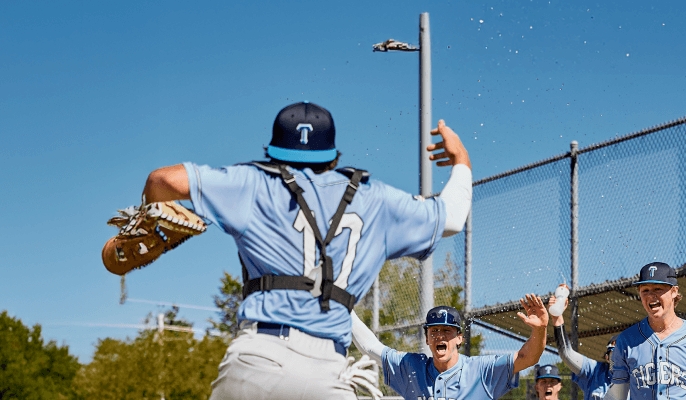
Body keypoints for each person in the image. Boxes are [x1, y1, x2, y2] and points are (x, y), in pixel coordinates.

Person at [140, 101, 473, 400]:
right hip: (326, 371)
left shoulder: (252, 182)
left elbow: (162, 180)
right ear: (332, 157)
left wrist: (150, 216)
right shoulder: (374, 199)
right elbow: (454, 217)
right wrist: (460, 159)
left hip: (257, 358)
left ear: (273, 152)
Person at [351, 297, 549, 400]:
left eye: (447, 330)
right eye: (434, 331)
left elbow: (527, 357)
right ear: (427, 338)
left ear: (459, 338)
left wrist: (540, 330)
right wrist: (341, 305)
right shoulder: (412, 367)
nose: (440, 335)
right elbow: (370, 347)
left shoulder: (480, 370)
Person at [604, 262, 685, 400]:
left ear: (674, 291)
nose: (651, 295)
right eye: (645, 290)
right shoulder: (627, 340)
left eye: (658, 289)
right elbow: (617, 393)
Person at [548, 285, 618, 399]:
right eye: (614, 351)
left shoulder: (639, 379)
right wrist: (557, 318)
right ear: (607, 357)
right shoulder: (595, 371)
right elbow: (567, 353)